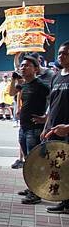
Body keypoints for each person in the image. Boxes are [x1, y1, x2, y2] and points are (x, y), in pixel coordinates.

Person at [8, 55, 50, 205]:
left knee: (35, 162)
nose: (23, 68)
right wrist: (14, 79)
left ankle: (36, 192)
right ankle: (31, 187)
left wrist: (46, 117)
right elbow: (11, 93)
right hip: (23, 128)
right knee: (27, 160)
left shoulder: (41, 86)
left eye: (27, 66)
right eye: (22, 66)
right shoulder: (23, 84)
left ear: (36, 69)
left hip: (35, 129)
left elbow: (55, 100)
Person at [42, 41, 69, 215]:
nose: (61, 56)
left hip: (67, 130)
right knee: (58, 167)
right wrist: (46, 127)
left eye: (65, 53)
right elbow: (52, 106)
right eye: (59, 53)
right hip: (54, 130)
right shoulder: (57, 76)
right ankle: (64, 201)